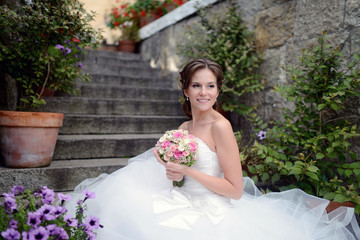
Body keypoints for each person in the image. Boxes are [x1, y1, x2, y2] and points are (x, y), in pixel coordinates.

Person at [67, 59, 360, 240]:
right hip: (181, 201)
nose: (203, 93)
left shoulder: (221, 127)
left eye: (210, 86)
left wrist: (186, 170)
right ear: (186, 89)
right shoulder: (182, 129)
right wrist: (171, 171)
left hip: (216, 211)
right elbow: (179, 179)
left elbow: (234, 189)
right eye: (196, 86)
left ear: (218, 90)